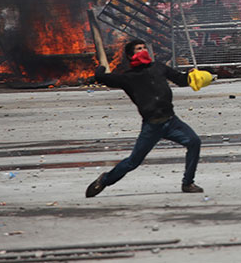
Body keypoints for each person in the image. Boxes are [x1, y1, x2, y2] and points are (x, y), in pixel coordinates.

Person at [85, 40, 204, 197]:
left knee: (194, 142)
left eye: (144, 48)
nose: (142, 51)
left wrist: (196, 76)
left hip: (171, 121)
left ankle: (188, 183)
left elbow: (181, 80)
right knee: (133, 162)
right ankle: (105, 180)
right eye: (138, 49)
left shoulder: (158, 67)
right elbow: (102, 77)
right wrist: (100, 67)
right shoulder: (128, 78)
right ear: (130, 55)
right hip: (152, 126)